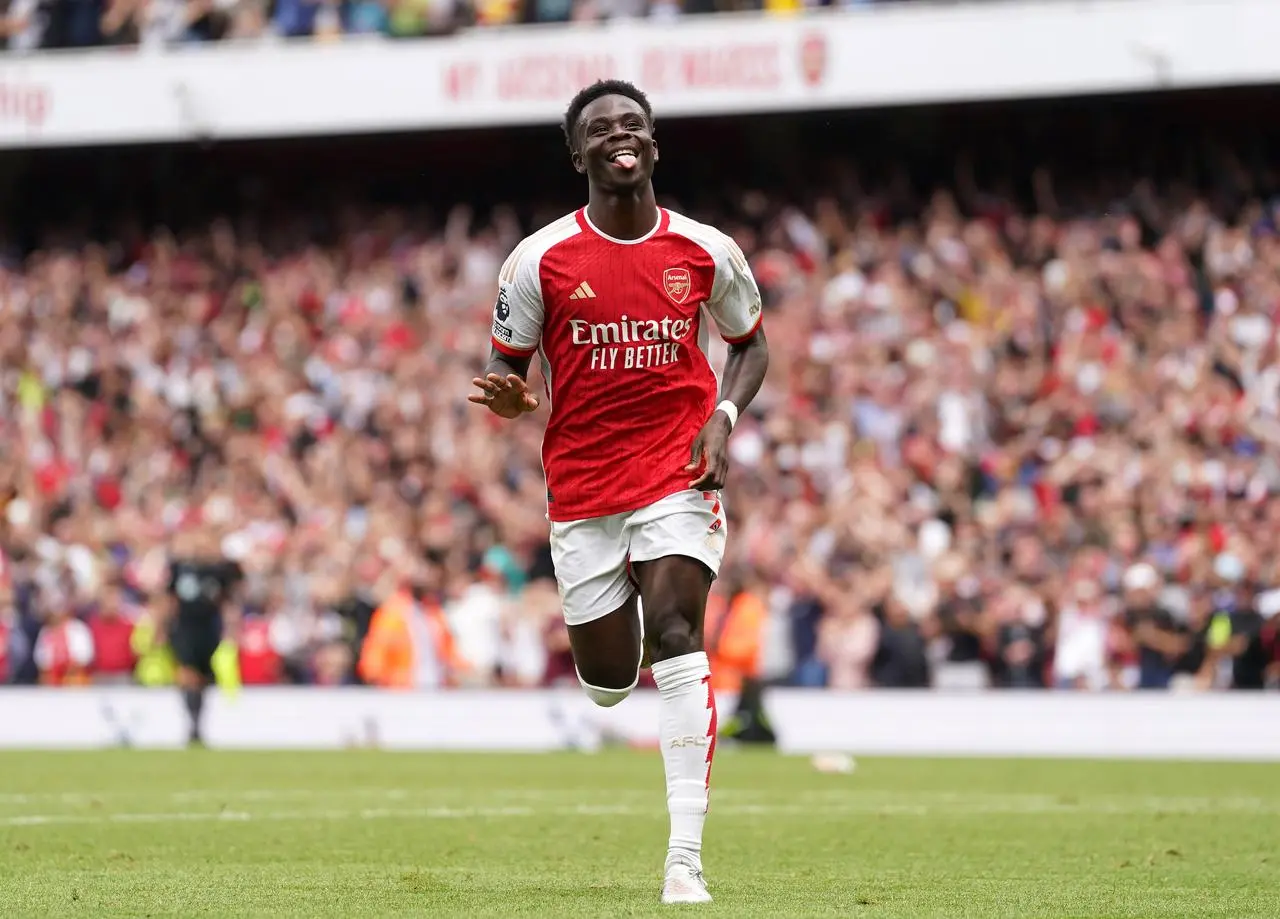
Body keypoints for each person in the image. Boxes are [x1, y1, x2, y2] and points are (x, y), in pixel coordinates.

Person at [468, 79, 769, 905]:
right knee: (606, 681)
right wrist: (507, 394)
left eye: (632, 123)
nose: (618, 135)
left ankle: (684, 859)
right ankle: (632, 628)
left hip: (679, 469)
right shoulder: (539, 259)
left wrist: (725, 415)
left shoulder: (707, 250)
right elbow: (507, 366)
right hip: (585, 488)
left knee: (678, 630)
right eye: (600, 129)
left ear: (654, 144)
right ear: (579, 155)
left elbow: (750, 344)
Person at [166, 526, 243, 746]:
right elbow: (169, 599)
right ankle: (192, 726)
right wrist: (163, 628)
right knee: (187, 675)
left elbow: (230, 600)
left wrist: (231, 628)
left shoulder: (220, 572)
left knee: (203, 678)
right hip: (185, 628)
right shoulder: (180, 568)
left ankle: (198, 725)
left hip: (209, 629)